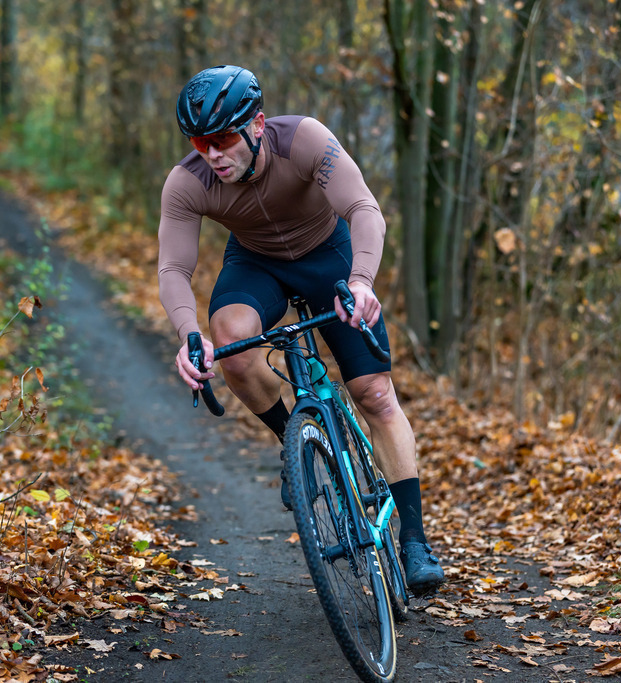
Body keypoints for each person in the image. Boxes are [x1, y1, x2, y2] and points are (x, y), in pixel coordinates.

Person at [156, 64, 445, 595]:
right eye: (201, 142)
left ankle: (415, 541)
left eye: (222, 139)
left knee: (374, 394)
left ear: (258, 125)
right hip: (256, 263)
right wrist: (187, 335)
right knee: (233, 347)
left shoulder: (305, 140)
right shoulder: (187, 182)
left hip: (328, 254)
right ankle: (298, 443)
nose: (212, 154)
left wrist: (360, 282)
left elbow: (363, 209)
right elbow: (174, 268)